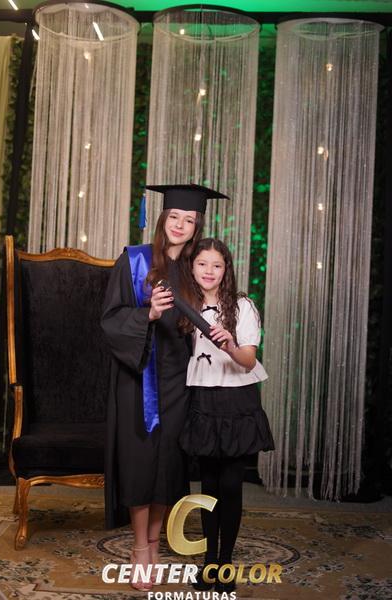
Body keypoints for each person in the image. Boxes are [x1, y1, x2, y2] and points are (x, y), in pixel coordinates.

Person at [101, 185, 228, 591]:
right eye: (174, 216)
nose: (180, 225)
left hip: (178, 382)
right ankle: (140, 548)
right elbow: (110, 319)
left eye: (189, 220)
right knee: (140, 464)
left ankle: (155, 543)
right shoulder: (134, 260)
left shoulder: (195, 269)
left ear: (196, 227)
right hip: (139, 379)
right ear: (162, 218)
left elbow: (213, 314)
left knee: (166, 468)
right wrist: (149, 314)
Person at [179, 237, 275, 594]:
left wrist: (230, 344)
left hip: (237, 402)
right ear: (192, 267)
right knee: (208, 487)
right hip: (203, 400)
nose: (209, 271)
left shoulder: (243, 306)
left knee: (231, 486)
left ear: (226, 270)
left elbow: (248, 360)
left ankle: (225, 563)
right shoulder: (184, 306)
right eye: (202, 264)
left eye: (216, 265)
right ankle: (209, 563)